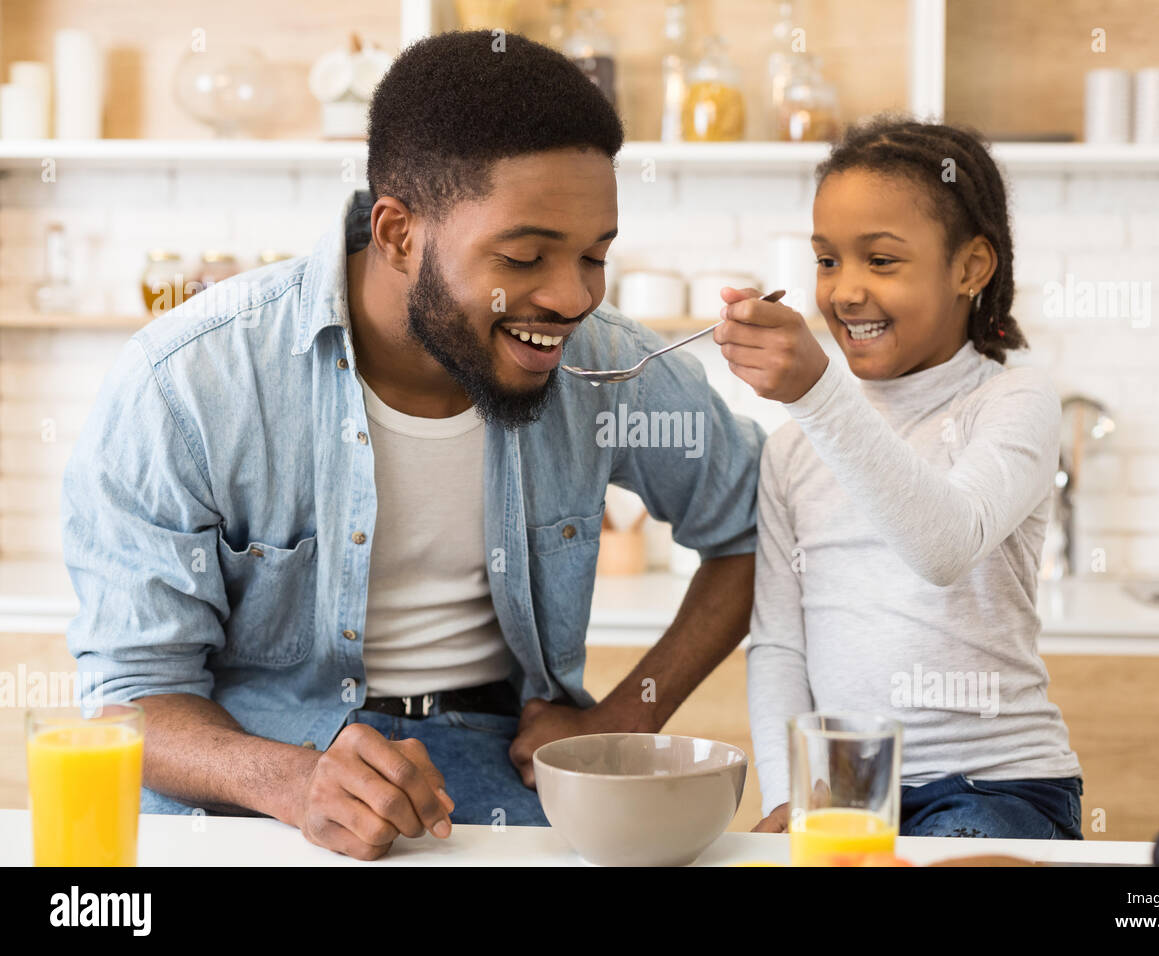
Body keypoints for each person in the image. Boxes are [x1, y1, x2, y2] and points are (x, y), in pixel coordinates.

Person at [61, 31, 763, 860]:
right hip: (250, 777)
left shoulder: (602, 361)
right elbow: (135, 698)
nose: (572, 297)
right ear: (397, 234)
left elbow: (753, 526)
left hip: (501, 762)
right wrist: (293, 781)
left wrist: (626, 716)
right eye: (526, 256)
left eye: (595, 256)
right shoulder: (189, 383)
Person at [718, 116, 1084, 840]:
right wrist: (796, 794)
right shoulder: (794, 447)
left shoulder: (1013, 402)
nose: (846, 291)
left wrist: (818, 394)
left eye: (880, 261)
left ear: (970, 268)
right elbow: (780, 646)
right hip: (846, 791)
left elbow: (946, 545)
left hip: (994, 785)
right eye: (827, 261)